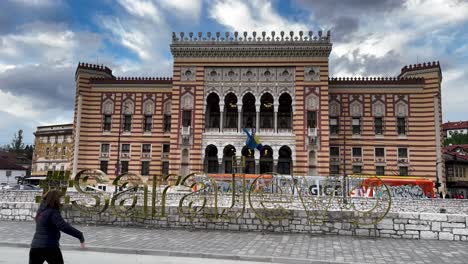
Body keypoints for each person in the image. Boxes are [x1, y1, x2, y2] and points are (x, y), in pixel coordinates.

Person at [30, 189, 85, 264]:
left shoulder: (41, 210)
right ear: (55, 199)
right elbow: (64, 226)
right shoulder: (53, 212)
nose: (61, 200)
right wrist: (80, 235)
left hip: (35, 247)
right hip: (50, 248)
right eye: (60, 198)